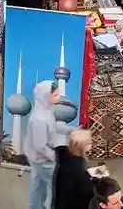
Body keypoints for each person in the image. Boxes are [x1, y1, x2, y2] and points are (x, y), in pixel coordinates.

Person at [24, 80, 59, 209]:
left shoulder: (45, 109)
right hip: (42, 159)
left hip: (37, 157)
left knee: (37, 184)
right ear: (45, 97)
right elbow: (40, 146)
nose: (58, 97)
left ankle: (36, 206)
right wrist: (56, 157)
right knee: (54, 185)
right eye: (55, 95)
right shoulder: (39, 119)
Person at [52, 129, 95, 209]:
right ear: (82, 146)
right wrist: (96, 182)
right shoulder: (78, 170)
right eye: (89, 142)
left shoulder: (65, 158)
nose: (92, 143)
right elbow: (87, 192)